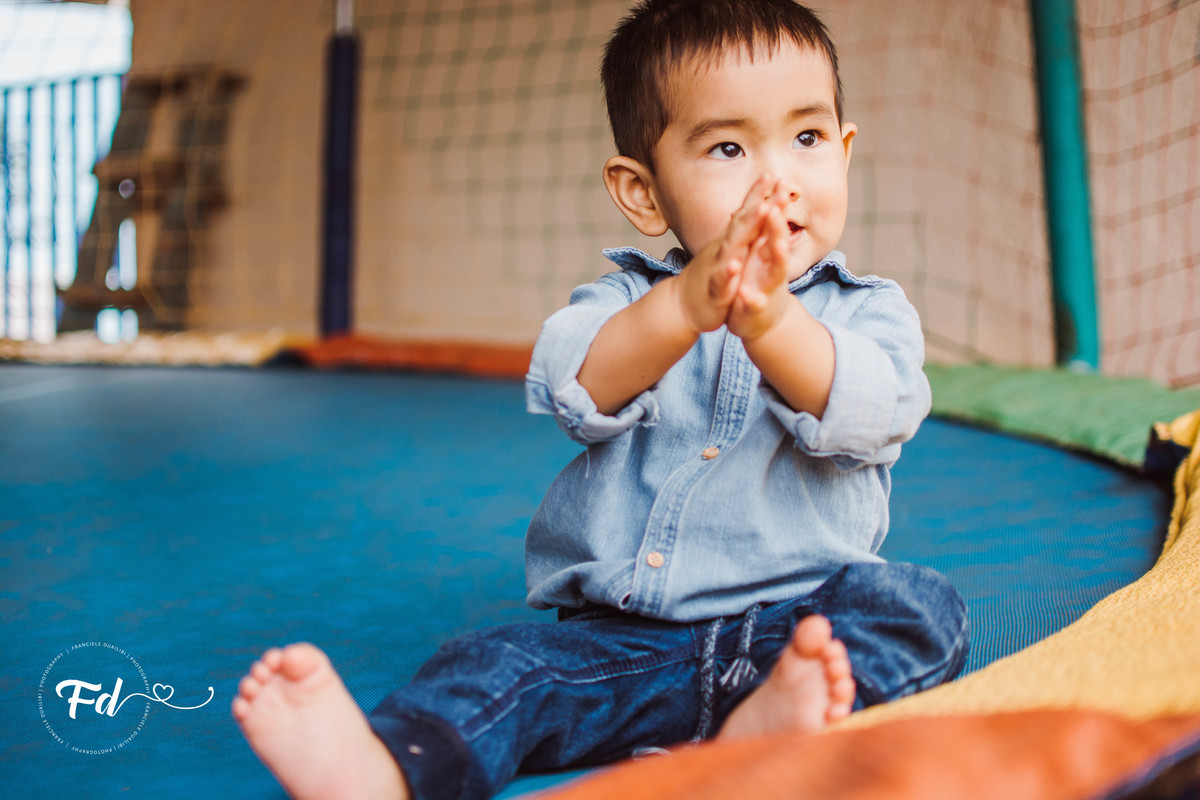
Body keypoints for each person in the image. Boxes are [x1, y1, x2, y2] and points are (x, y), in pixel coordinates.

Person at [231, 1, 969, 798]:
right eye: (727, 146)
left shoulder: (867, 310)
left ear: (845, 153)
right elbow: (575, 383)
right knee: (498, 664)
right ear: (644, 193)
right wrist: (690, 305)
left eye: (808, 137)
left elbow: (875, 414)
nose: (777, 179)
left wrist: (772, 322)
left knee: (921, 606)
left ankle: (773, 726)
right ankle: (388, 767)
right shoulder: (623, 302)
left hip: (796, 632)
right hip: (623, 648)